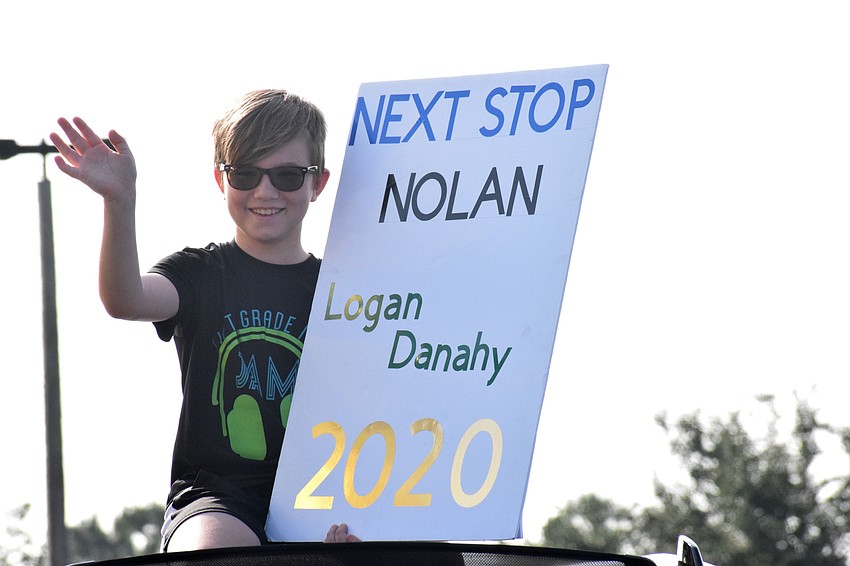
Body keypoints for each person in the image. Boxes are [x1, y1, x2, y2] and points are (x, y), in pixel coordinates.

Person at [50, 90, 359, 551]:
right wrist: (120, 200)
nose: (265, 191)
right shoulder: (200, 272)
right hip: (219, 497)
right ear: (221, 179)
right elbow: (126, 299)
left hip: (325, 492)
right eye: (247, 173)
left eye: (288, 176)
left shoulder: (349, 291)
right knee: (218, 551)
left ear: (319, 183)